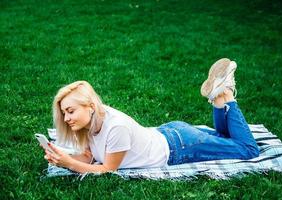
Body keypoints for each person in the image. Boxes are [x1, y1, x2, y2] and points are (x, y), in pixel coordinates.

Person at [43, 58, 259, 174]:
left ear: (90, 106)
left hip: (181, 147)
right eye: (64, 113)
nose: (66, 118)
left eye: (70, 111)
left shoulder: (115, 127)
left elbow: (107, 169)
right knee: (224, 139)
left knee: (247, 149)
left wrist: (70, 164)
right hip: (171, 133)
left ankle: (227, 95)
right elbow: (90, 157)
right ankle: (218, 99)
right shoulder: (91, 121)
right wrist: (62, 158)